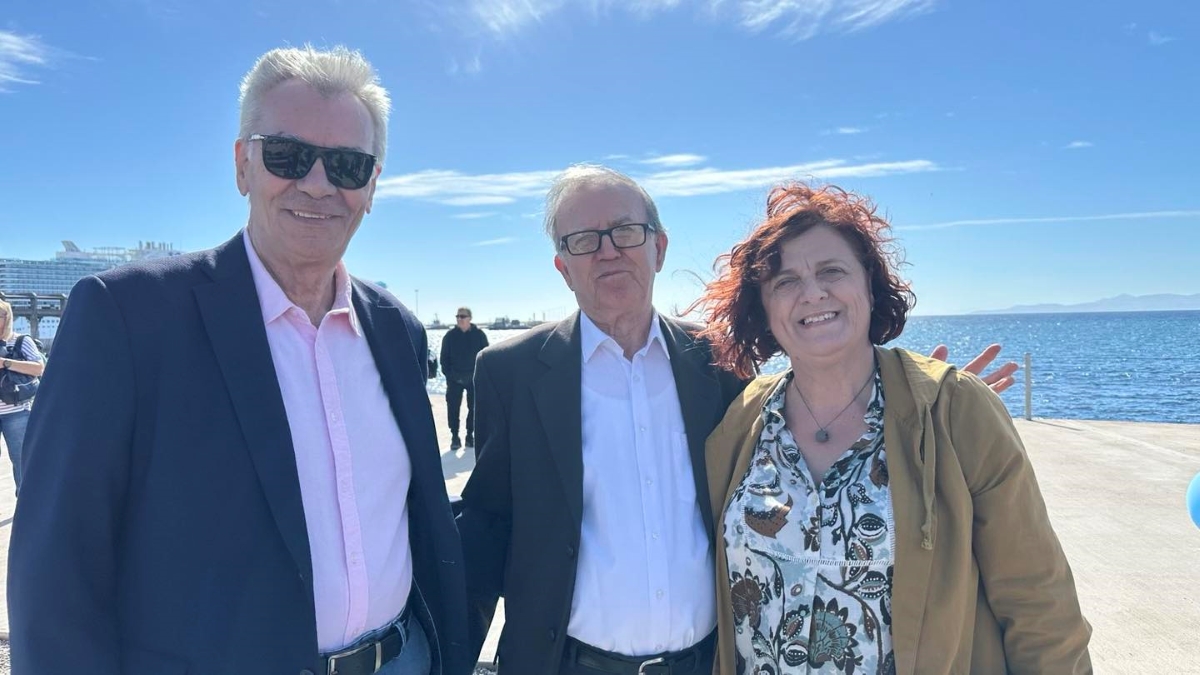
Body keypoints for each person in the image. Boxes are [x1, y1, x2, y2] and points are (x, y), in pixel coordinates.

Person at [9, 46, 469, 675]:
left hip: (403, 659)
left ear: (372, 187)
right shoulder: (127, 316)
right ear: (241, 165)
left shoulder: (397, 330)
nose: (318, 183)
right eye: (286, 155)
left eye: (347, 165)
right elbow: (57, 568)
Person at [455, 165, 1016, 675]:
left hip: (710, 662)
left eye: (625, 231)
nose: (607, 252)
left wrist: (914, 399)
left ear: (659, 247)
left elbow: (804, 406)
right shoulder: (510, 372)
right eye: (583, 240)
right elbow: (488, 525)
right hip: (567, 664)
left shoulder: (717, 362)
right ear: (562, 267)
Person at [694, 183, 1091, 674]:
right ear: (764, 308)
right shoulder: (743, 419)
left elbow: (1037, 599)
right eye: (785, 281)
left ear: (870, 284)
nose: (812, 293)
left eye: (832, 271)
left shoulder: (953, 409)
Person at [0, 299, 45, 494]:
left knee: (22, 462)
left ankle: (26, 503)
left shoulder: (20, 341)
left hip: (16, 412)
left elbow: (39, 368)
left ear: (7, 317)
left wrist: (6, 363)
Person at [440, 306, 488, 451]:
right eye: (458, 316)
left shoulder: (479, 335)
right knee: (453, 409)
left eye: (462, 316)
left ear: (470, 318)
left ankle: (470, 436)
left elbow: (485, 355)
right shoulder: (450, 336)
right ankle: (455, 436)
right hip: (454, 379)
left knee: (474, 408)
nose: (459, 319)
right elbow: (444, 359)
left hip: (474, 378)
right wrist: (450, 375)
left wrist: (480, 375)